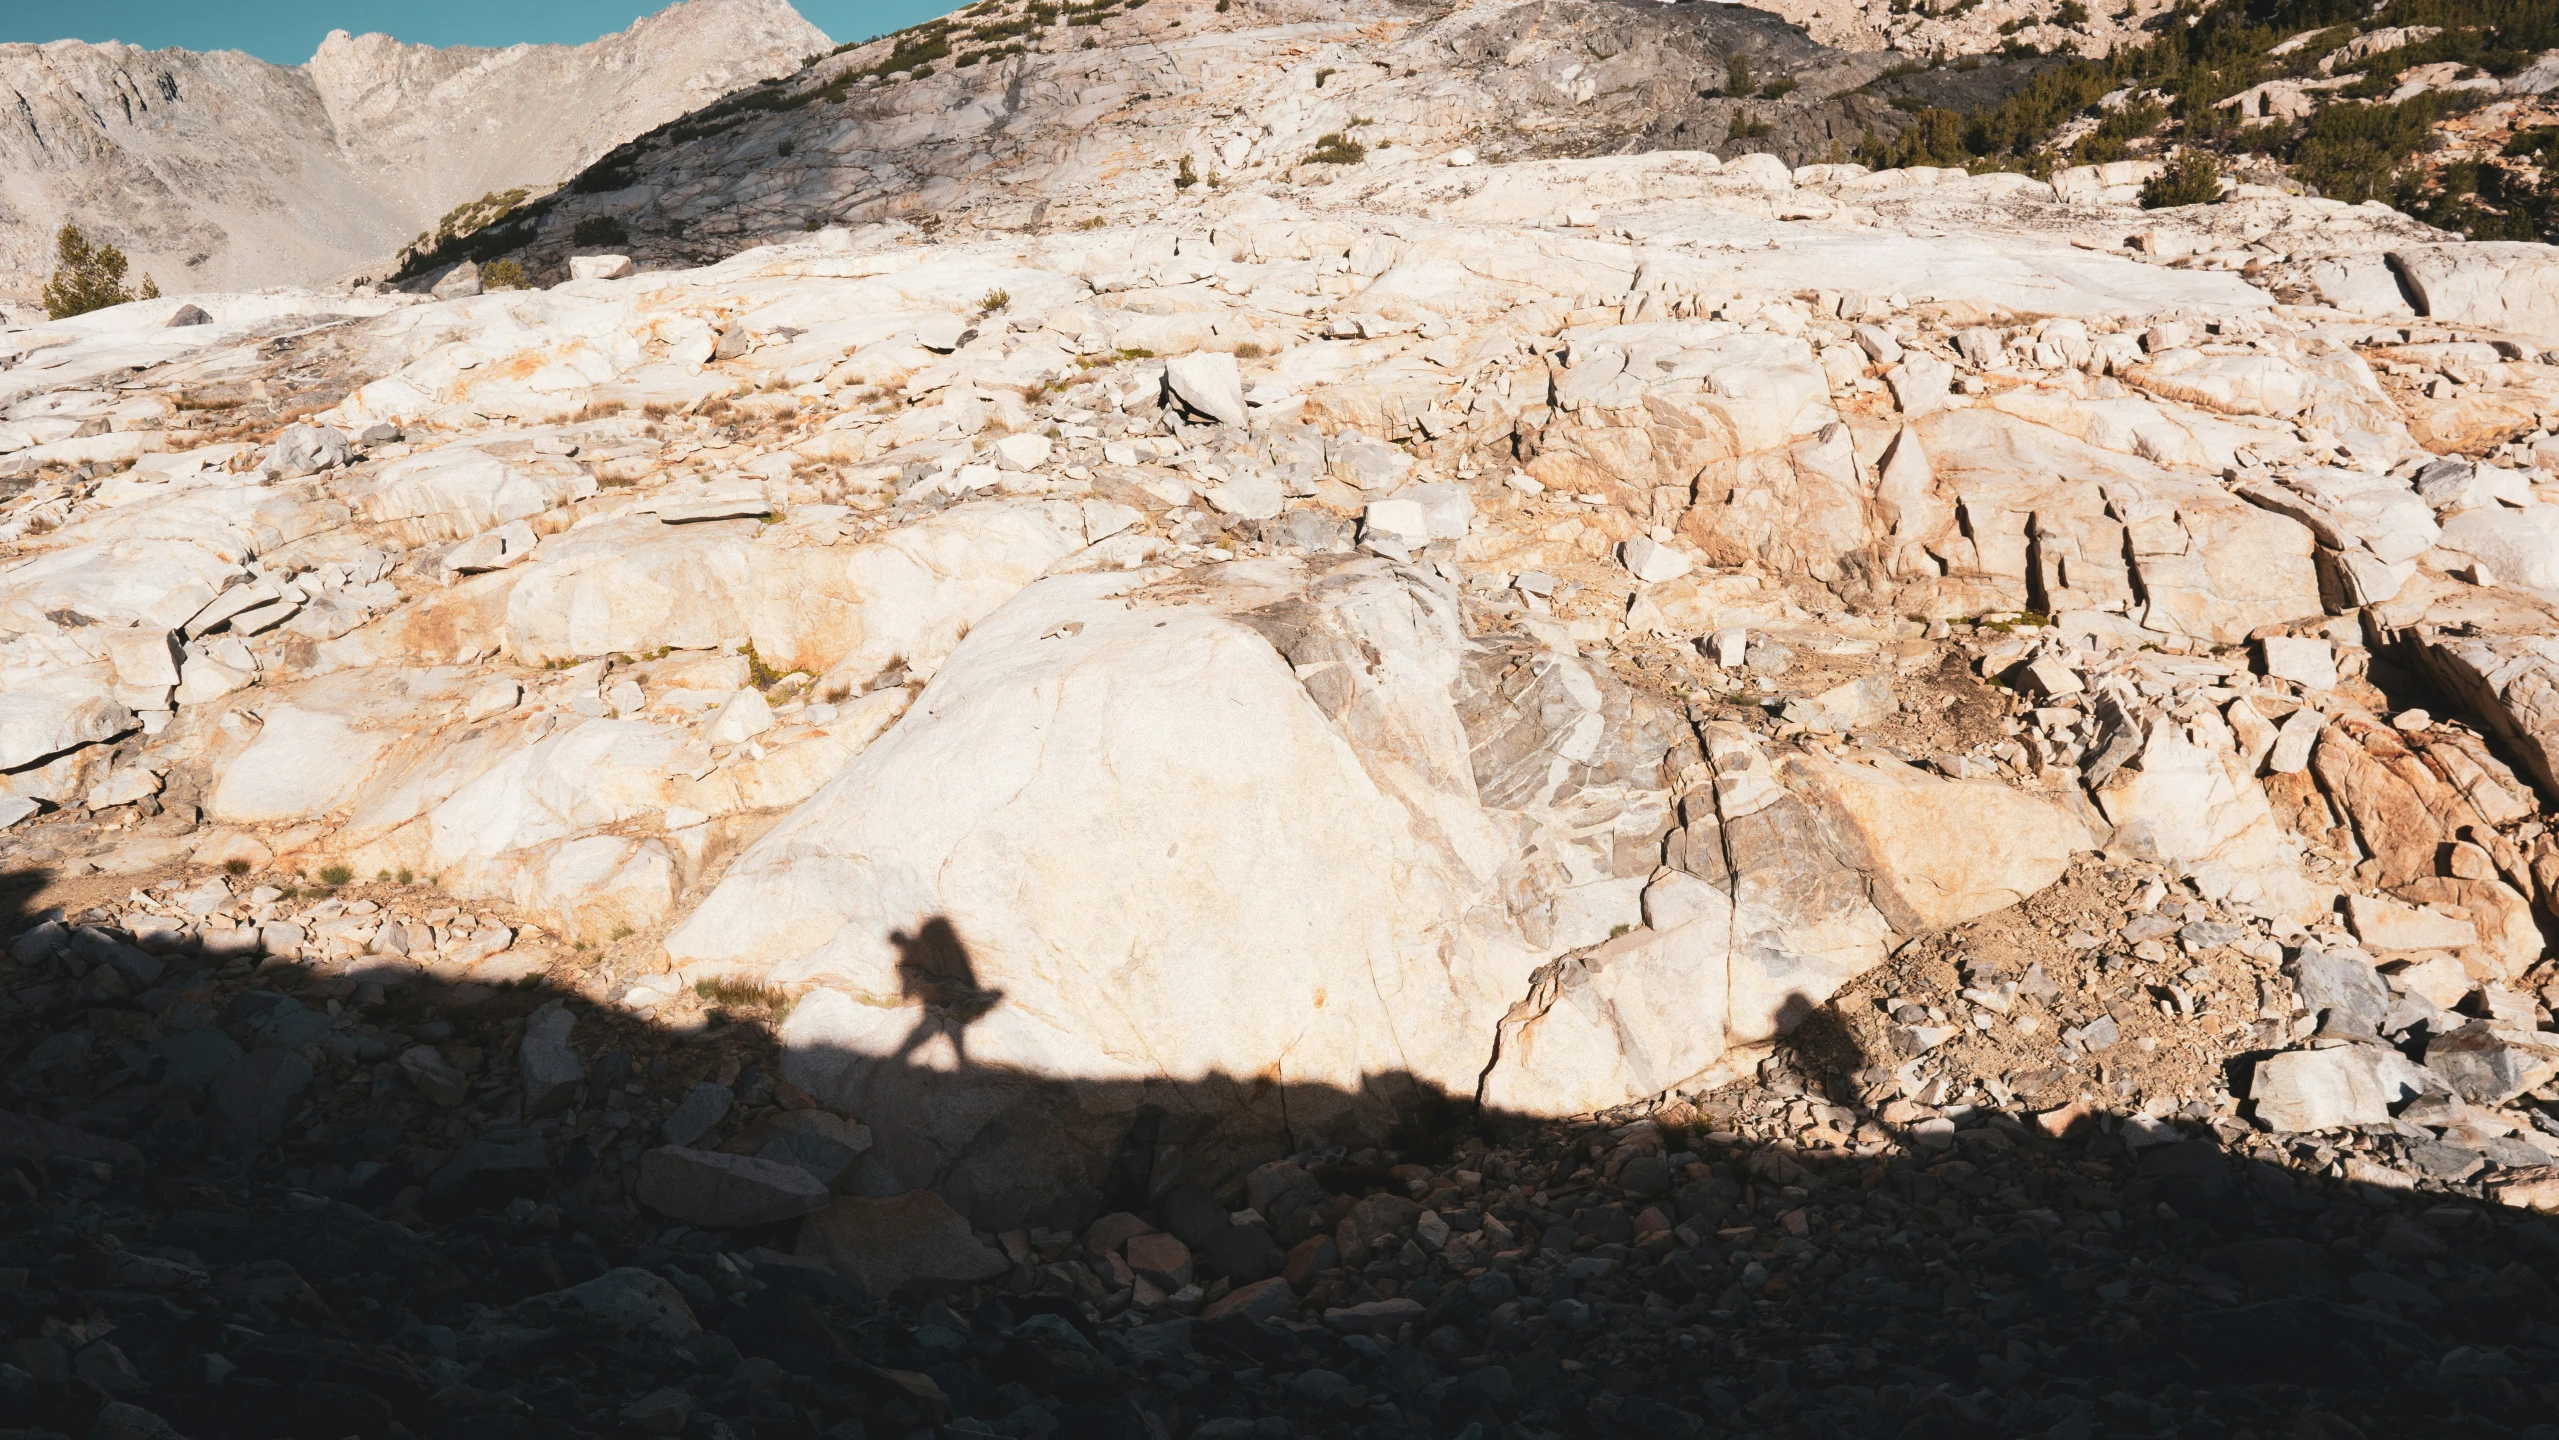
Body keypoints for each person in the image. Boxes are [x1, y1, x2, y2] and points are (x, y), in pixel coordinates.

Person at [887, 917, 1002, 1065]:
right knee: (945, 1029)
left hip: (948, 992)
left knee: (940, 1029)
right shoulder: (916, 948)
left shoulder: (915, 948)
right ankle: (961, 1058)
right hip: (946, 992)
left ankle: (960, 1057)